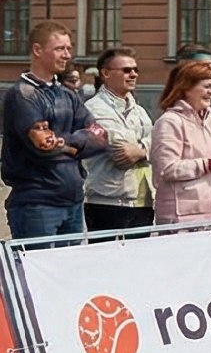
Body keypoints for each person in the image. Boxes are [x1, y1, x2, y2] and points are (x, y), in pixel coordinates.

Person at [3, 21, 109, 243]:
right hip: (37, 203)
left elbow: (101, 138)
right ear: (37, 50)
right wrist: (79, 142)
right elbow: (43, 146)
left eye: (69, 49)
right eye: (60, 49)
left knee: (66, 273)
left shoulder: (67, 95)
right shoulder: (24, 95)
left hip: (73, 200)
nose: (67, 55)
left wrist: (68, 144)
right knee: (36, 273)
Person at [150, 61, 211, 226]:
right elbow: (167, 169)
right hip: (180, 216)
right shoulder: (169, 122)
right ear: (186, 87)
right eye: (207, 86)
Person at [79, 47, 156, 234]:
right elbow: (118, 147)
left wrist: (141, 149)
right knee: (106, 260)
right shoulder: (93, 109)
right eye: (126, 70)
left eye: (136, 70)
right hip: (107, 201)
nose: (133, 74)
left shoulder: (139, 110)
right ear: (105, 73)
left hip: (143, 199)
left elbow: (160, 141)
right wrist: (148, 146)